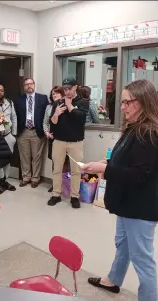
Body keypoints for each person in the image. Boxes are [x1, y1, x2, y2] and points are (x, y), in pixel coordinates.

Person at [83, 79, 158, 301]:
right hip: (127, 202)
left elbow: (138, 175)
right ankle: (113, 279)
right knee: (123, 243)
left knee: (142, 258)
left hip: (140, 206)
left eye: (126, 103)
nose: (122, 108)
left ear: (142, 102)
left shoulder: (150, 133)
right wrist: (108, 161)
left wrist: (104, 169)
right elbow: (127, 158)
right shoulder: (135, 127)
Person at [48, 77, 89, 208]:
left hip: (75, 142)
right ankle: (56, 194)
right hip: (59, 141)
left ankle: (74, 196)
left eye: (69, 89)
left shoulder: (83, 102)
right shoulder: (58, 102)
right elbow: (52, 124)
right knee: (57, 169)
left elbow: (81, 119)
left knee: (76, 170)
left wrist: (70, 106)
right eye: (65, 89)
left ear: (75, 87)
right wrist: (56, 114)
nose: (66, 92)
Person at [15, 78, 49, 188]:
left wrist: (46, 129)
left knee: (37, 157)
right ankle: (26, 177)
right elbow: (15, 116)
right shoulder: (19, 99)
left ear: (34, 85)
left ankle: (35, 178)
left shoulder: (43, 98)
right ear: (24, 87)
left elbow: (47, 114)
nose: (29, 86)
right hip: (23, 131)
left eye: (30, 83)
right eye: (26, 84)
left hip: (37, 131)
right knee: (24, 156)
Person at [43, 86, 65, 192]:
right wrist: (46, 132)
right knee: (54, 162)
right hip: (52, 138)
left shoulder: (66, 105)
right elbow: (45, 122)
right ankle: (55, 184)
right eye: (53, 94)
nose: (55, 95)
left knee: (65, 162)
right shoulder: (49, 107)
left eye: (57, 93)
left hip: (65, 138)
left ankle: (65, 184)